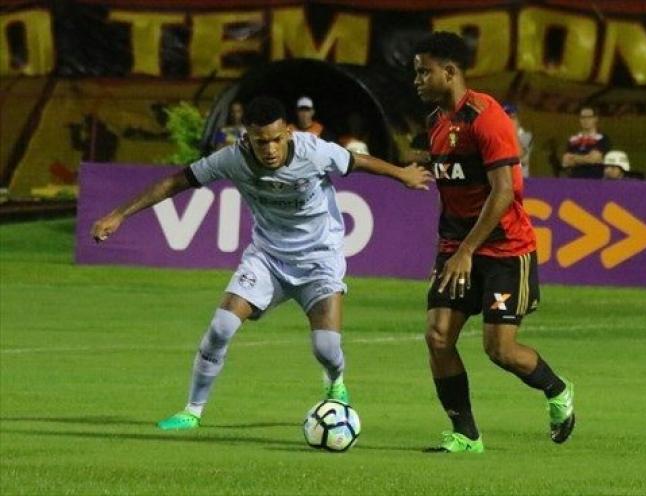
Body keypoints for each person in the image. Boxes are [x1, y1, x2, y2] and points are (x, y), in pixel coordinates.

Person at [90, 96, 432, 431]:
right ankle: (192, 411)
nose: (269, 149)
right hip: (267, 259)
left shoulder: (314, 151)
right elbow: (176, 181)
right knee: (220, 328)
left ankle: (335, 381)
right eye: (260, 141)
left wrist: (402, 174)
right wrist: (119, 215)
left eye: (275, 139)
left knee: (326, 348)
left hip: (319, 261)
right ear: (246, 138)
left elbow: (357, 162)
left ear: (288, 132)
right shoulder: (232, 159)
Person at [413, 32, 575, 453]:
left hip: (505, 249)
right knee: (437, 337)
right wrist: (450, 249)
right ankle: (466, 435)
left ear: (450, 72)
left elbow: (503, 192)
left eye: (424, 72)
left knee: (499, 349)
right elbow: (452, 191)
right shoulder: (435, 123)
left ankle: (557, 389)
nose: (417, 80)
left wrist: (467, 250)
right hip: (456, 248)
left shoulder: (487, 118)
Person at [562, 106, 610, 179]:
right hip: (574, 181)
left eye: (589, 117)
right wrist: (587, 158)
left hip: (595, 181)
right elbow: (566, 161)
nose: (586, 120)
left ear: (596, 119)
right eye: (583, 117)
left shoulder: (603, 139)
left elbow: (594, 159)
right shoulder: (573, 139)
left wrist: (574, 158)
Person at [502, 102, 533, 177]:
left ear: (518, 120)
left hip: (522, 179)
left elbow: (519, 156)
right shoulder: (497, 136)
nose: (508, 121)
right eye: (505, 117)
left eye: (512, 117)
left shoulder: (526, 136)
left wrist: (513, 132)